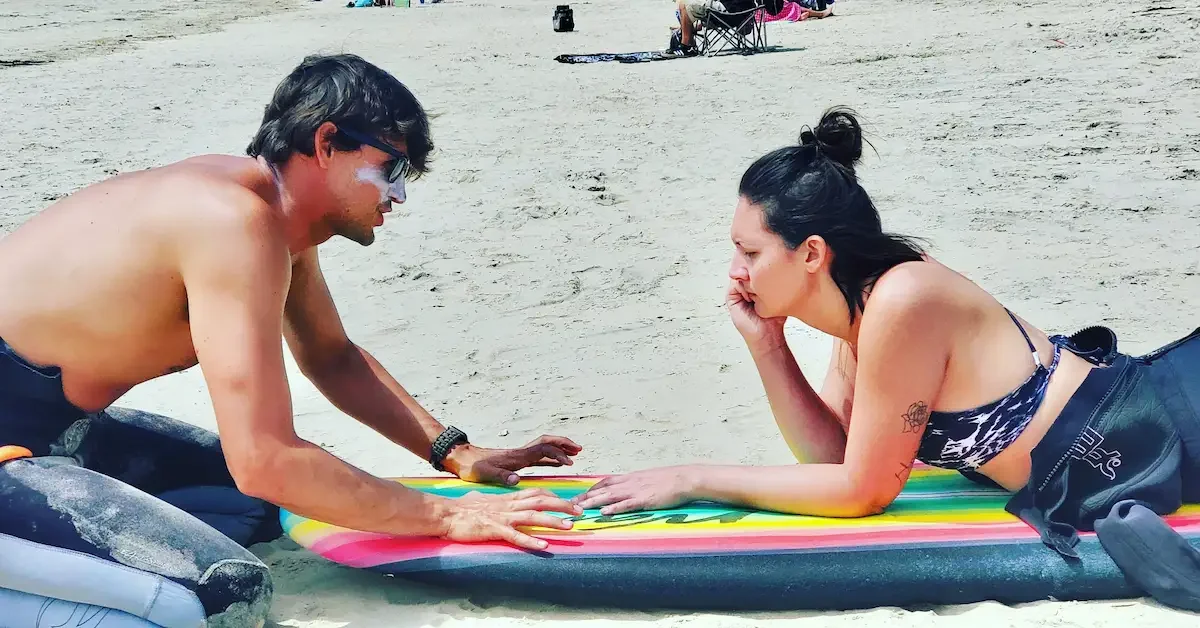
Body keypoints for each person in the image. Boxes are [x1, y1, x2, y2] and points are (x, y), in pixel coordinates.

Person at [0, 53, 583, 625]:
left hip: (49, 432)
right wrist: (447, 518)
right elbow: (267, 459)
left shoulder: (270, 217)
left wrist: (452, 453)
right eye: (392, 170)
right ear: (327, 143)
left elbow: (331, 357)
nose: (398, 196)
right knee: (223, 594)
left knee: (266, 512)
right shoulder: (231, 223)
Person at [573, 108, 1199, 563]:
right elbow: (833, 462)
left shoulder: (901, 300)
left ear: (811, 252)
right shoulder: (859, 317)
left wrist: (694, 477)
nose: (735, 271)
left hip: (1162, 426)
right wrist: (767, 344)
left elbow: (864, 492)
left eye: (750, 251)